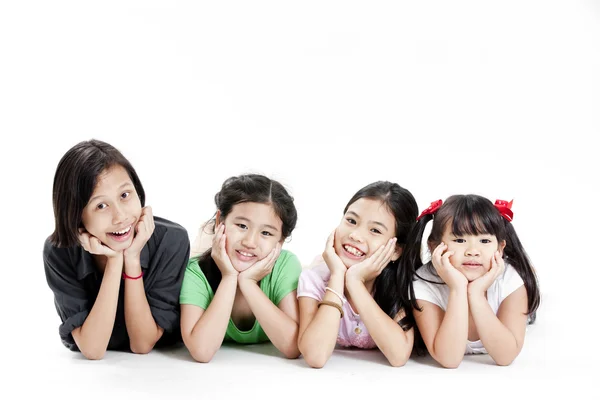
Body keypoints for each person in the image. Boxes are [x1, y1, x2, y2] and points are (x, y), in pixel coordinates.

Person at [43, 139, 190, 360]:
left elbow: (142, 344)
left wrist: (131, 258)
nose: (120, 217)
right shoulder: (60, 252)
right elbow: (92, 349)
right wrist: (114, 262)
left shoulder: (171, 240)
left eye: (125, 195)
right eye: (101, 205)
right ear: (76, 215)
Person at [403, 195, 540, 367]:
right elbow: (449, 359)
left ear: (500, 248)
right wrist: (457, 289)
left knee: (528, 284)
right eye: (459, 240)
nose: (473, 251)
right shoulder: (422, 283)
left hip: (512, 290)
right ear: (434, 246)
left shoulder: (511, 278)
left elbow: (505, 357)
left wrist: (476, 294)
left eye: (484, 241)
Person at [179, 174, 301, 362]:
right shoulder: (196, 272)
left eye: (266, 233)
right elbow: (201, 351)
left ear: (280, 241)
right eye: (242, 225)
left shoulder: (286, 266)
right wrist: (229, 277)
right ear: (220, 221)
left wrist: (248, 283)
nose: (249, 242)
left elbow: (293, 347)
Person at [297, 181, 419, 368]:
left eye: (375, 230)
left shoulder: (400, 284)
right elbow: (315, 356)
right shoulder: (314, 279)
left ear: (396, 250)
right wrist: (338, 276)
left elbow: (399, 356)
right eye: (351, 221)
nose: (355, 235)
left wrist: (355, 283)